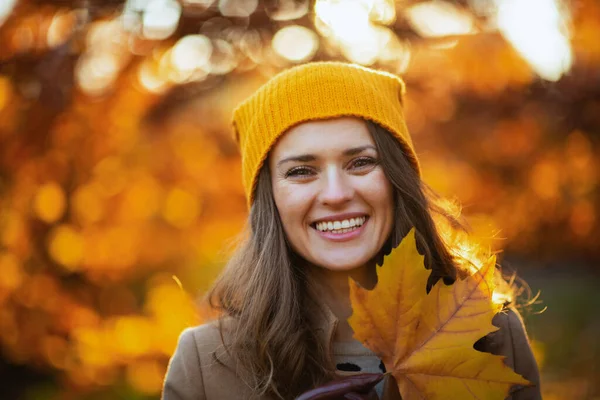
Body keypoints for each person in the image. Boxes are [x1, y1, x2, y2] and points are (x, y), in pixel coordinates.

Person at [161, 62, 542, 399]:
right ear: (269, 201)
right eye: (301, 171)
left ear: (398, 180)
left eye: (361, 163)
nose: (337, 194)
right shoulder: (206, 364)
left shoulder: (491, 332)